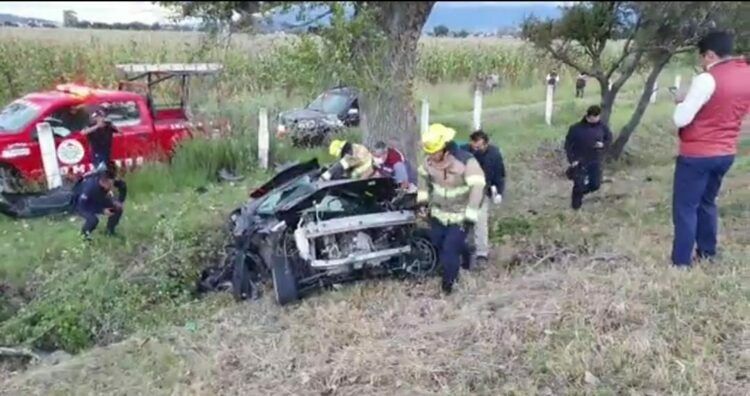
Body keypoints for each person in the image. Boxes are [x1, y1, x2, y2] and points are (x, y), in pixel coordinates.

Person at [670, 30, 750, 268]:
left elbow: (681, 119)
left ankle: (681, 261)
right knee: (707, 202)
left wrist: (683, 101)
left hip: (697, 154)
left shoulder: (707, 79)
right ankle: (707, 252)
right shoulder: (746, 74)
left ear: (711, 54)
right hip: (726, 151)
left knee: (685, 207)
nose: (702, 62)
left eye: (703, 57)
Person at [417, 123, 486, 295]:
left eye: (434, 151)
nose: (431, 155)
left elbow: (478, 187)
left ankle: (448, 287)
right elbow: (422, 180)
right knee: (439, 243)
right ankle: (466, 252)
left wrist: (470, 215)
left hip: (461, 214)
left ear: (445, 148)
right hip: (439, 213)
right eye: (429, 152)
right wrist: (422, 203)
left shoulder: (466, 162)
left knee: (449, 250)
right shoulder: (428, 162)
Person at [461, 130, 506, 266]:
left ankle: (481, 254)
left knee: (480, 221)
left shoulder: (494, 154)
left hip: (482, 191)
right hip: (463, 191)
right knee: (463, 221)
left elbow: (500, 174)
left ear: (486, 144)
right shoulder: (463, 151)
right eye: (473, 146)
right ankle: (466, 250)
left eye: (479, 147)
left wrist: (498, 192)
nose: (476, 149)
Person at [564, 105, 613, 210]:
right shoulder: (576, 128)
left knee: (595, 184)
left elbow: (609, 139)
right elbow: (568, 145)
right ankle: (575, 208)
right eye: (596, 117)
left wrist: (603, 145)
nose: (597, 119)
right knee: (579, 183)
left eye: (598, 117)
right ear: (589, 116)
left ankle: (579, 193)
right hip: (579, 160)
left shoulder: (602, 127)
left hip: (595, 160)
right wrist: (572, 160)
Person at [76, 169, 125, 240]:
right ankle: (84, 236)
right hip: (85, 204)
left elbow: (123, 186)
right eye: (109, 185)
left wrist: (120, 201)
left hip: (99, 199)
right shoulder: (90, 188)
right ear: (102, 182)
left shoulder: (111, 181)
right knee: (93, 220)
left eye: (112, 184)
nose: (111, 187)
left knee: (117, 209)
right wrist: (102, 210)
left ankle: (109, 231)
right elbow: (82, 205)